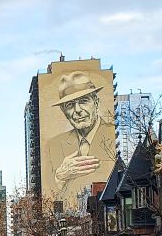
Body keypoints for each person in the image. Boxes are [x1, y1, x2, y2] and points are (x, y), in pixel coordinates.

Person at [46, 72, 114, 201]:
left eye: (83, 101)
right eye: (70, 105)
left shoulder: (112, 135)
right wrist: (59, 178)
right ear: (64, 111)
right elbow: (49, 197)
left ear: (96, 102)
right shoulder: (53, 145)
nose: (77, 110)